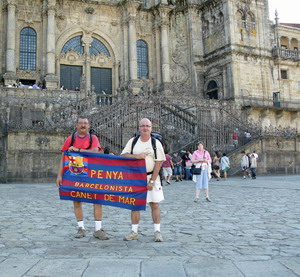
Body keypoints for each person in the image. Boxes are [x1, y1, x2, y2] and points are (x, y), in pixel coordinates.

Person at [56, 116, 109, 240]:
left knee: (97, 199)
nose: (83, 125)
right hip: (76, 174)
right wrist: (59, 175)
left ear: (89, 126)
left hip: (92, 173)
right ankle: (81, 228)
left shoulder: (93, 138)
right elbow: (63, 157)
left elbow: (95, 151)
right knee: (77, 200)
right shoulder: (70, 139)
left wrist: (78, 149)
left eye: (85, 123)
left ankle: (98, 229)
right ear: (76, 125)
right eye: (80, 123)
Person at [121, 118, 166, 242]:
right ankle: (134, 231)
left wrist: (152, 181)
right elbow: (124, 155)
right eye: (142, 126)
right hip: (136, 177)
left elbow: (159, 162)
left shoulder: (155, 143)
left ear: (151, 128)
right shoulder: (133, 141)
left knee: (154, 204)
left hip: (151, 176)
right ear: (139, 128)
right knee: (135, 205)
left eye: (147, 126)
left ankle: (157, 231)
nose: (145, 128)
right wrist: (137, 156)